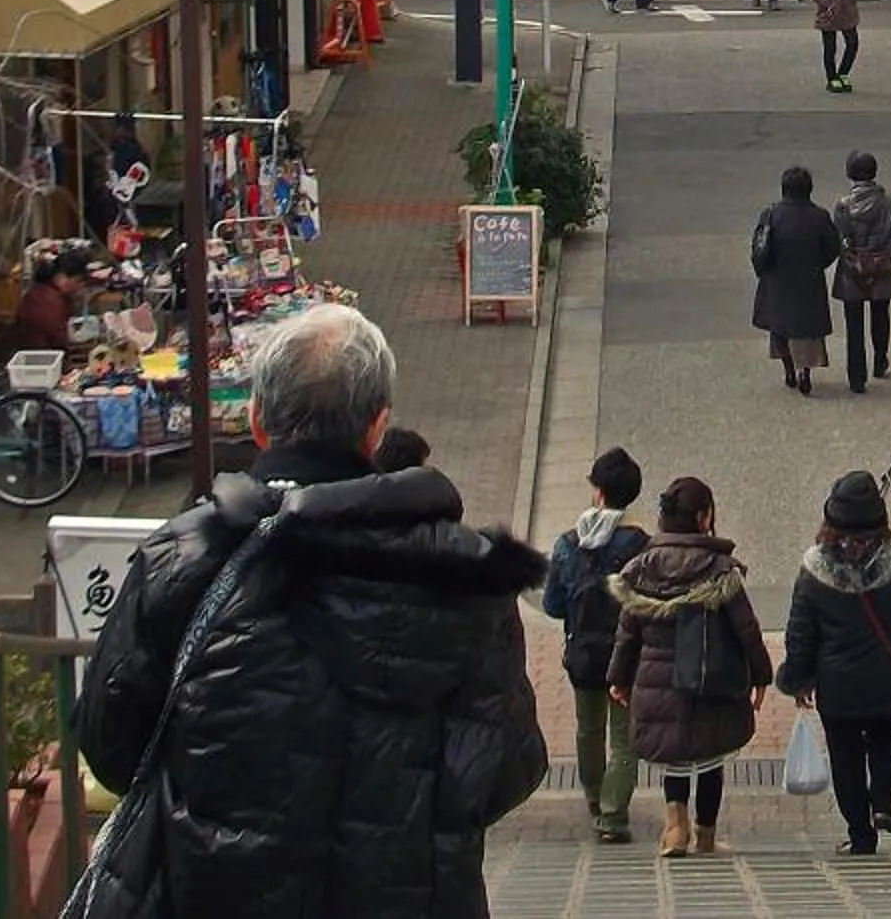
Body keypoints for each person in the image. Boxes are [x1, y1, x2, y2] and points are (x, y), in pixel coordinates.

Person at [70, 306, 548, 919]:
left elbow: (113, 749)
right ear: (378, 428)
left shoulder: (184, 558)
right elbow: (509, 766)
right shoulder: (469, 579)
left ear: (257, 421)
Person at [775, 471, 891, 857]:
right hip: (885, 680)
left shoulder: (813, 573)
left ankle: (860, 834)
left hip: (836, 686)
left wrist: (797, 678)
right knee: (881, 738)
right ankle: (882, 800)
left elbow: (800, 634)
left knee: (844, 756)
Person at [606, 475, 772, 859]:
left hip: (656, 678)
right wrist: (761, 672)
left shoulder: (641, 567)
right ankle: (706, 835)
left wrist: (618, 676)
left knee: (675, 755)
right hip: (711, 677)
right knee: (710, 755)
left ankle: (675, 826)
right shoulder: (719, 568)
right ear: (703, 517)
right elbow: (746, 628)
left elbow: (627, 630)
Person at [543, 447, 652, 845]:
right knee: (624, 735)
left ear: (598, 492)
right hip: (626, 655)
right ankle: (613, 812)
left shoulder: (567, 543)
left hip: (583, 652)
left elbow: (552, 604)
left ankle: (593, 796)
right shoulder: (641, 544)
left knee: (588, 728)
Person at [751, 164, 842, 397]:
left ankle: (789, 368)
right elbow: (833, 247)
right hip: (808, 280)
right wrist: (818, 264)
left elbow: (760, 247)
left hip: (778, 281)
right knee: (807, 331)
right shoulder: (819, 216)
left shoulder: (771, 214)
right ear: (809, 189)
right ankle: (805, 371)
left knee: (780, 327)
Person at [832, 150, 891, 394]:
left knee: (854, 325)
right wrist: (886, 260)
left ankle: (857, 377)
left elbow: (839, 239)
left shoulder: (843, 206)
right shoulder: (890, 203)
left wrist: (853, 260)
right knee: (881, 316)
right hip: (882, 269)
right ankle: (880, 360)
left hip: (851, 271)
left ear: (849, 174)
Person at [9, 249, 90, 357]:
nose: (80, 287)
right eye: (78, 281)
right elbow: (59, 342)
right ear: (62, 278)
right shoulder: (50, 302)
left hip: (39, 352)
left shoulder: (43, 290)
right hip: (41, 359)